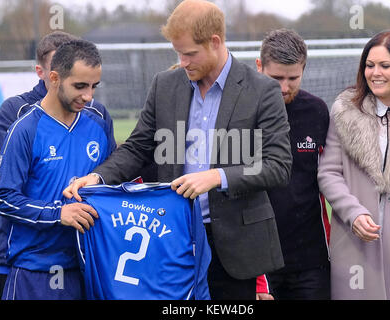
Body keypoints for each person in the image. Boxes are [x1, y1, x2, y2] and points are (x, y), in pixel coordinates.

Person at [64, 0, 292, 300]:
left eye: (189, 53)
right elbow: (137, 148)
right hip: (170, 238)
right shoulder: (165, 84)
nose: (182, 62)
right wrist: (96, 178)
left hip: (235, 250)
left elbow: (278, 165)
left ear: (215, 42)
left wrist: (217, 176)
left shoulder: (262, 90)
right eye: (178, 53)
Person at [0, 39, 116, 300]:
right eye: (80, 86)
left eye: (94, 86)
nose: (88, 96)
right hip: (35, 271)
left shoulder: (98, 123)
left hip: (89, 269)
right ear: (54, 78)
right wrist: (58, 213)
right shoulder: (26, 128)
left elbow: (114, 185)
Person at [317, 31, 390, 299]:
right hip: (354, 246)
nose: (375, 73)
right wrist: (354, 213)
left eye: (385, 66)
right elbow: (328, 172)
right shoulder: (344, 110)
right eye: (369, 65)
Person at [255, 29, 330, 300]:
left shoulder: (318, 111)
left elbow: (331, 176)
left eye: (293, 78)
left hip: (312, 259)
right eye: (276, 78)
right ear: (259, 66)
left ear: (304, 69)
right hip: (258, 260)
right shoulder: (241, 113)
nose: (284, 87)